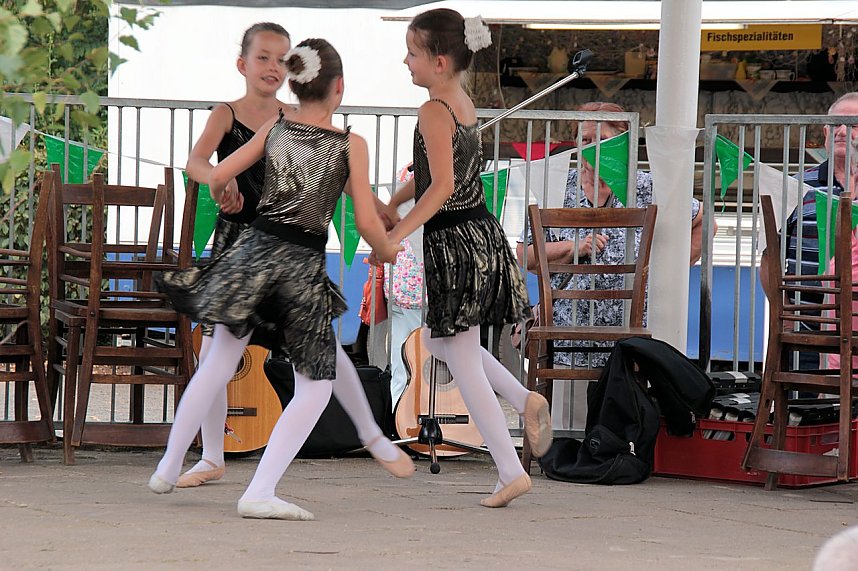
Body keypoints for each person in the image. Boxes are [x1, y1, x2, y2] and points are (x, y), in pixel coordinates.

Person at [148, 38, 411, 521]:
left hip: (251, 253)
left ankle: (167, 466)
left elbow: (218, 172)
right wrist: (387, 249)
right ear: (340, 88)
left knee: (215, 363)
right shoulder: (351, 144)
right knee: (315, 385)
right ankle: (260, 490)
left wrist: (224, 190)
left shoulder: (275, 125)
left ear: (295, 82)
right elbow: (366, 222)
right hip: (299, 266)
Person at [380, 8, 552, 508]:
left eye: (411, 53)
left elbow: (442, 186)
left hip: (455, 243)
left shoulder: (433, 110)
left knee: (460, 355)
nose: (405, 62)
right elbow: (440, 169)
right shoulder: (460, 102)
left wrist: (398, 233)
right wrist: (394, 201)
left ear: (437, 61)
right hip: (478, 235)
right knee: (440, 342)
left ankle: (507, 467)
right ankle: (524, 400)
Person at [177, 22, 295, 490]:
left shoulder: (295, 116)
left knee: (312, 353)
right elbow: (196, 160)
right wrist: (220, 181)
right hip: (233, 245)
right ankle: (211, 454)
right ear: (243, 64)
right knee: (214, 354)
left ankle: (368, 438)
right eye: (263, 57)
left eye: (282, 59)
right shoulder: (226, 113)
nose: (272, 67)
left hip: (281, 247)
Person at [516, 101, 705, 370]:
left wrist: (669, 273)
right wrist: (573, 247)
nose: (592, 147)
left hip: (634, 332)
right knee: (569, 412)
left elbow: (702, 221)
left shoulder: (645, 186)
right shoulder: (556, 187)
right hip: (567, 336)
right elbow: (525, 256)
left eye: (602, 140)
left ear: (622, 144)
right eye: (585, 140)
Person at [759, 92, 858, 372]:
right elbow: (769, 257)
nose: (842, 131)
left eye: (853, 124)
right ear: (825, 133)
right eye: (835, 124)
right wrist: (784, 313)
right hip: (806, 329)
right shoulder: (795, 186)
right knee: (806, 413)